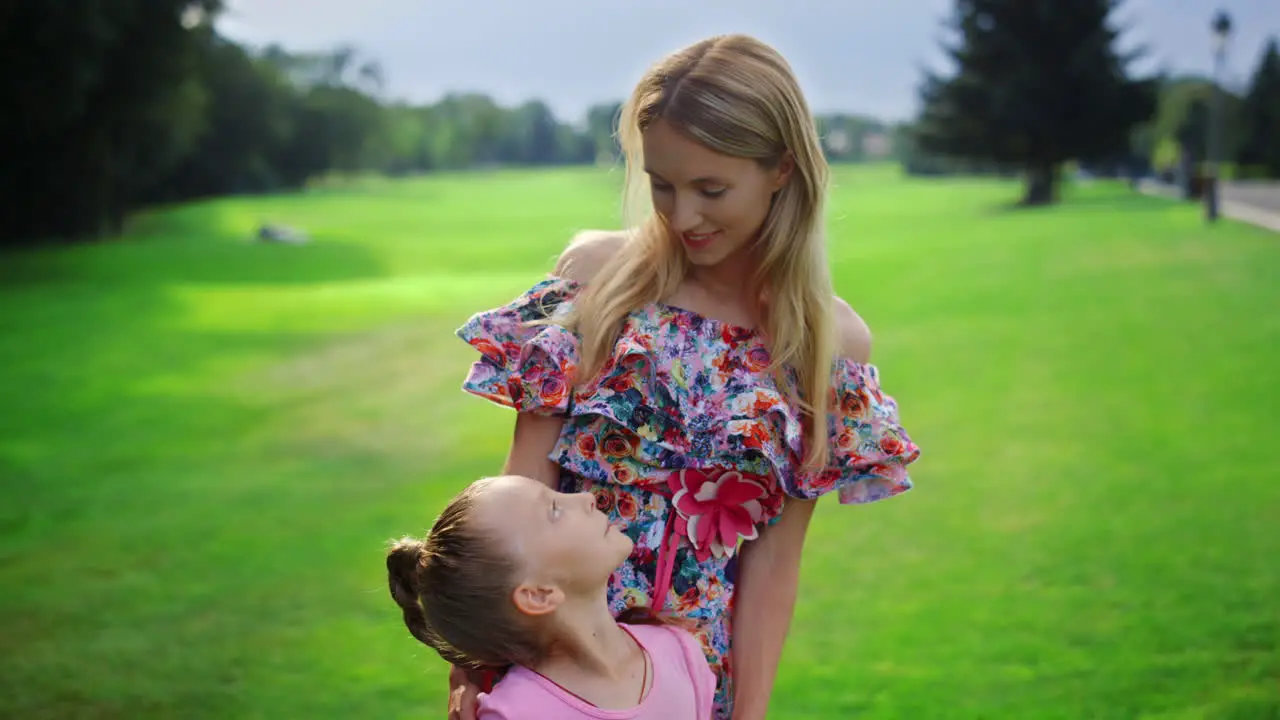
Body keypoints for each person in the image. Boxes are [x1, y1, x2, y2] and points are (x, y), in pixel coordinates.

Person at [452, 33, 922, 720]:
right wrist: (476, 661)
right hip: (550, 664)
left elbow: (772, 567)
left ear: (782, 170)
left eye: (711, 189)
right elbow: (520, 493)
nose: (682, 216)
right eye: (662, 185)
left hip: (693, 683)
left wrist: (747, 714)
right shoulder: (597, 280)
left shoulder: (827, 343)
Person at [387, 475, 717, 719]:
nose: (586, 497)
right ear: (539, 594)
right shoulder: (516, 713)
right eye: (555, 510)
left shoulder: (680, 651)